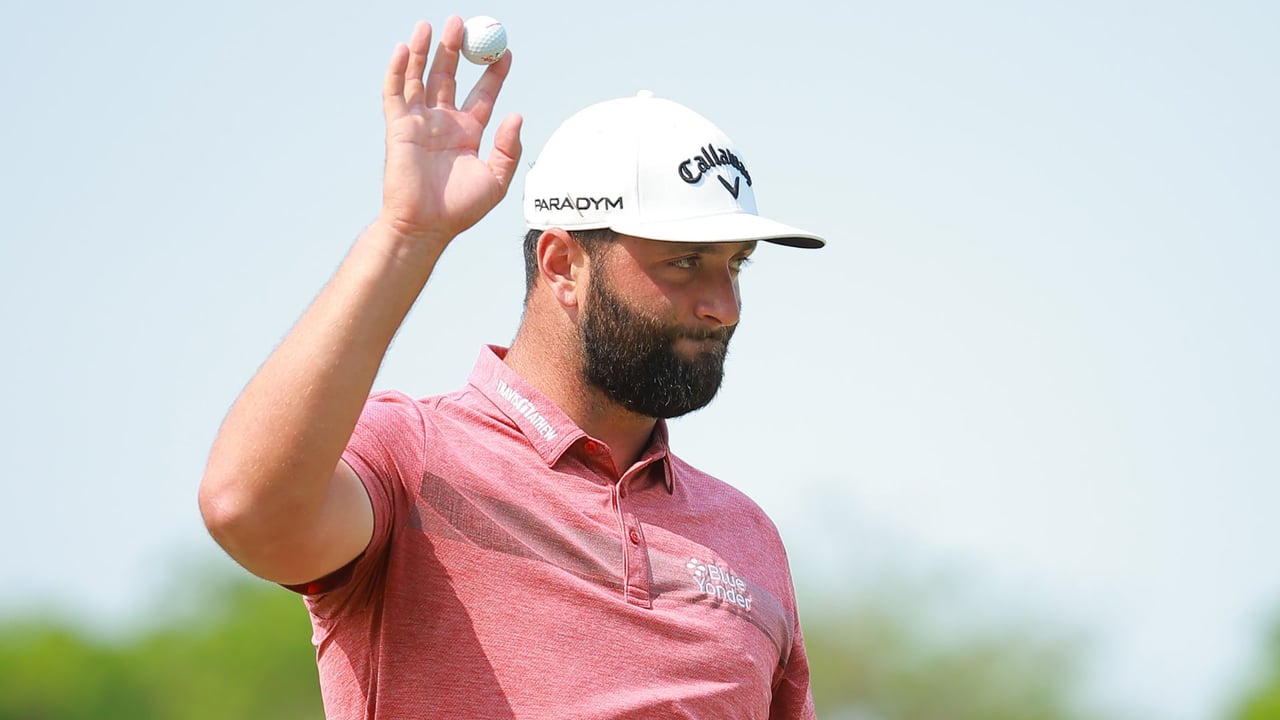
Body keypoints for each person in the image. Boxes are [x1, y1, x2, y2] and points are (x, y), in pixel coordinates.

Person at [199, 15, 825, 720]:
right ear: (563, 266)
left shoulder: (749, 539)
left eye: (736, 265)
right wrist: (407, 237)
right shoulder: (414, 457)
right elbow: (247, 510)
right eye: (684, 262)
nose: (724, 306)